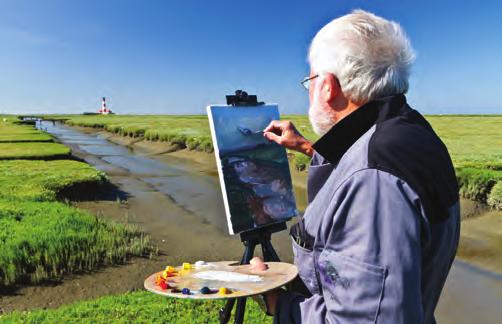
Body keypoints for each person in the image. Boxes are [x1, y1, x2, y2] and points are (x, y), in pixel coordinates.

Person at [259, 10, 460, 323]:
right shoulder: (409, 131)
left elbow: (365, 319)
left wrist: (278, 303)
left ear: (327, 86)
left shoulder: (374, 180)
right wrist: (306, 147)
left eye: (309, 81)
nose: (309, 92)